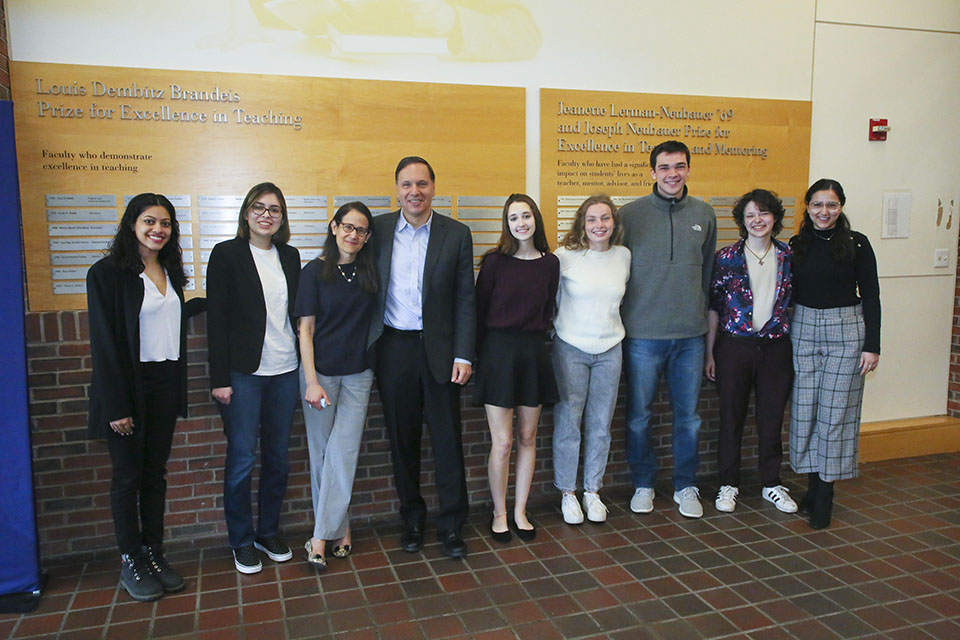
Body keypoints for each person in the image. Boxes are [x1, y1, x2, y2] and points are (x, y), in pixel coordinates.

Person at [87, 193, 204, 601]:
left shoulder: (170, 270)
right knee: (127, 478)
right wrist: (116, 405)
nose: (158, 229)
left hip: (164, 383)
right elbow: (104, 343)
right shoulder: (106, 273)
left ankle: (155, 554)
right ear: (132, 224)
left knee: (155, 474)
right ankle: (131, 560)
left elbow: (167, 317)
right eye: (149, 221)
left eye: (166, 223)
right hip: (127, 387)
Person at [367, 156, 476, 558]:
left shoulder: (456, 234)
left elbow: (466, 300)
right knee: (402, 439)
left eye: (423, 184)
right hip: (393, 348)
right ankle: (411, 518)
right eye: (407, 184)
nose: (415, 192)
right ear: (396, 189)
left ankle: (452, 524)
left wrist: (464, 354)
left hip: (442, 352)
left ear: (434, 187)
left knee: (448, 440)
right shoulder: (375, 230)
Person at [620, 140, 717, 519]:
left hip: (690, 336)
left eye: (679, 166)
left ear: (688, 169)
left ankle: (684, 484)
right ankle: (643, 483)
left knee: (688, 417)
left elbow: (707, 276)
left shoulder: (704, 214)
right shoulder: (628, 215)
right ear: (652, 172)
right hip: (642, 335)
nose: (672, 173)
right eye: (664, 167)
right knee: (639, 415)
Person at [207, 182, 301, 574]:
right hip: (243, 375)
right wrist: (219, 378)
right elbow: (217, 319)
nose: (267, 215)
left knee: (278, 459)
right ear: (246, 213)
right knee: (243, 459)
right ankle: (241, 540)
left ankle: (268, 531)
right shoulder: (227, 254)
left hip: (285, 371)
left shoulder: (291, 256)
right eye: (259, 208)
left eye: (274, 209)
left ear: (282, 218)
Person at [789, 178, 880, 529]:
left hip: (846, 332)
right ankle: (812, 486)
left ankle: (825, 493)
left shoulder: (858, 244)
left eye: (831, 205)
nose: (823, 212)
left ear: (840, 207)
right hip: (803, 329)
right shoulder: (797, 245)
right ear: (807, 207)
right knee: (806, 411)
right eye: (816, 205)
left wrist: (873, 345)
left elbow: (871, 295)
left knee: (835, 414)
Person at [295, 202, 378, 570]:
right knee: (322, 455)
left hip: (359, 374)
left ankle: (319, 537)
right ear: (333, 227)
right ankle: (338, 530)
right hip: (321, 378)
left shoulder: (370, 272)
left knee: (343, 452)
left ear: (367, 237)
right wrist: (311, 381)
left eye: (361, 230)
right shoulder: (314, 272)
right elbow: (305, 330)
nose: (353, 235)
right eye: (347, 227)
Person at [704, 189, 797, 514]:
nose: (758, 220)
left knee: (771, 419)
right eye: (751, 215)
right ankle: (728, 485)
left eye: (764, 213)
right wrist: (710, 352)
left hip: (775, 348)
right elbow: (714, 308)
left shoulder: (788, 257)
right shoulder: (726, 258)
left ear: (775, 218)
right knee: (731, 417)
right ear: (742, 221)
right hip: (733, 347)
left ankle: (772, 483)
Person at [474, 194, 559, 542]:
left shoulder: (550, 263)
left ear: (535, 219)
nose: (520, 223)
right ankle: (499, 512)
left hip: (533, 354)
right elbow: (478, 313)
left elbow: (550, 308)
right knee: (504, 442)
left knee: (527, 437)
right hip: (498, 354)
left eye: (526, 216)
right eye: (513, 218)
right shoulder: (494, 262)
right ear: (506, 224)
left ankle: (521, 510)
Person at [552, 195, 631, 525]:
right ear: (581, 224)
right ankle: (568, 493)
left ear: (614, 222)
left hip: (610, 349)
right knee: (569, 421)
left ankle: (592, 491)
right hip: (570, 348)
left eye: (605, 218)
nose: (599, 225)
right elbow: (552, 301)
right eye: (592, 219)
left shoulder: (624, 256)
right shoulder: (565, 257)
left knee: (601, 424)